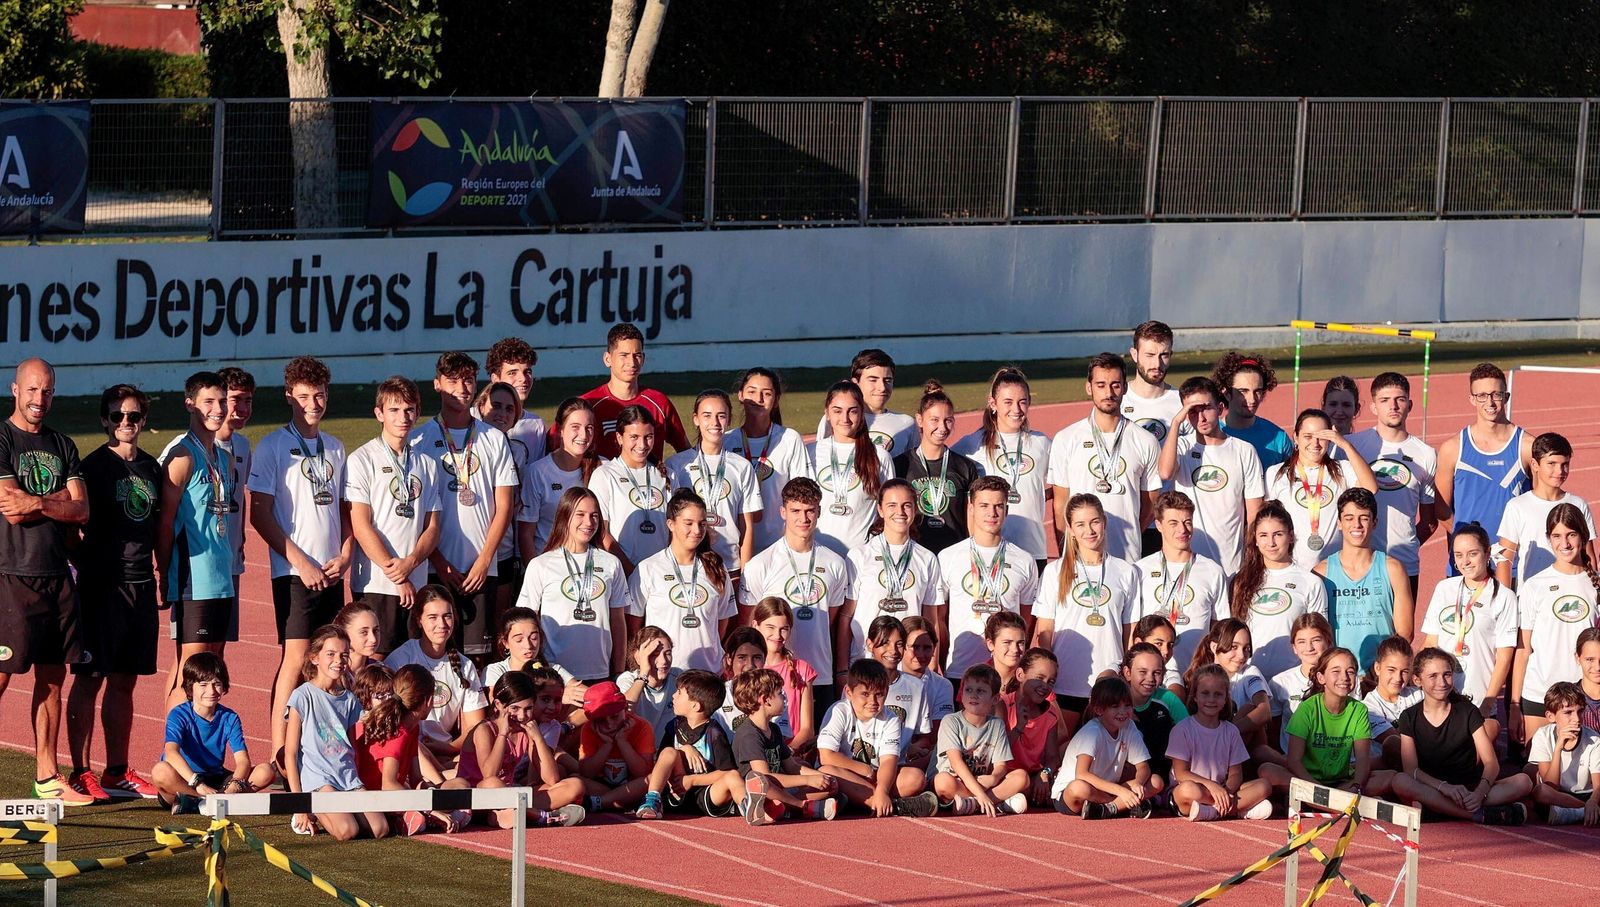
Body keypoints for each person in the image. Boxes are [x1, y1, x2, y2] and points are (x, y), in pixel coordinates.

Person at [250, 356, 351, 768]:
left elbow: (345, 510)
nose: (314, 403)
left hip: (330, 572)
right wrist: (302, 563)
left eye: (320, 395)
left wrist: (345, 555)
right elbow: (259, 513)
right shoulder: (273, 445)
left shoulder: (338, 446)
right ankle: (278, 749)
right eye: (305, 395)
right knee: (295, 659)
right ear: (289, 395)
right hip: (293, 572)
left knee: (330, 658)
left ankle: (316, 745)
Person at [65, 385, 161, 801]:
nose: (127, 424)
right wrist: (85, 567)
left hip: (141, 586)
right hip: (101, 589)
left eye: (134, 417)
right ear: (105, 421)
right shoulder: (92, 467)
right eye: (119, 417)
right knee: (90, 678)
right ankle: (81, 771)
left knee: (125, 683)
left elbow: (157, 527)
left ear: (143, 420)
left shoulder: (153, 469)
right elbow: (72, 525)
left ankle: (117, 771)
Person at [409, 351, 519, 662]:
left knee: (478, 661)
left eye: (468, 379)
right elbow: (417, 512)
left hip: (481, 570)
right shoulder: (419, 440)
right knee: (432, 657)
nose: (462, 386)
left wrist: (485, 560)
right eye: (453, 380)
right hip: (434, 569)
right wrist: (439, 561)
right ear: (437, 384)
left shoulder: (494, 439)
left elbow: (505, 506)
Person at [346, 377, 443, 656]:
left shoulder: (426, 464)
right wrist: (398, 577)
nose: (403, 417)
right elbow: (361, 526)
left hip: (417, 580)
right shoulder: (362, 459)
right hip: (377, 582)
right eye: (394, 410)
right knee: (375, 660)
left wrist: (411, 563)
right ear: (379, 414)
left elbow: (433, 527)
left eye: (409, 410)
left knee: (414, 662)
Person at [741, 478, 854, 714]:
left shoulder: (835, 563)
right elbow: (748, 627)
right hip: (772, 676)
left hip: (819, 673)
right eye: (795, 511)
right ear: (783, 512)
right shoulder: (761, 564)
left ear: (819, 512)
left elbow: (830, 621)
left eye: (810, 510)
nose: (803, 518)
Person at [158, 372, 236, 713]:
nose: (218, 409)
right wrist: (163, 572)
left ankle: (201, 754)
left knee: (212, 667)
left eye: (222, 401)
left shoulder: (224, 457)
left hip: (221, 578)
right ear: (190, 404)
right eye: (209, 401)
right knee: (188, 671)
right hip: (193, 577)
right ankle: (172, 756)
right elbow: (164, 521)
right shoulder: (181, 457)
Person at [1032, 494, 1139, 736]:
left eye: (1094, 522)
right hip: (1065, 683)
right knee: (1060, 752)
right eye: (1080, 524)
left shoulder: (1126, 572)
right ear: (1069, 528)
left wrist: (1124, 677)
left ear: (1105, 522)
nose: (1089, 530)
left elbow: (1130, 632)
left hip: (1108, 685)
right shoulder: (1054, 572)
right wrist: (1047, 683)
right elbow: (1044, 632)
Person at [1388, 647, 1531, 825]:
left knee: (1524, 781)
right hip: (1434, 788)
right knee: (1400, 781)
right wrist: (1444, 787)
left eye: (1447, 674)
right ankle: (1476, 815)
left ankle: (1440, 810)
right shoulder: (1409, 716)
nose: (1442, 682)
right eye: (1433, 676)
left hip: (1469, 789)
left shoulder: (1467, 711)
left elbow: (1490, 763)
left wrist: (1480, 793)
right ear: (1417, 680)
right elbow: (1411, 770)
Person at [1048, 353, 1161, 562]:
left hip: (1128, 558)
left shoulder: (1145, 441)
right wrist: (1068, 552)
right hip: (1079, 558)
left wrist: (1131, 533)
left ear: (1125, 388)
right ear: (1089, 387)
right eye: (1101, 385)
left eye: (1115, 385)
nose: (1109, 392)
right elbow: (1061, 503)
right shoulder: (1066, 439)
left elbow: (1150, 503)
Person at [285, 625, 390, 840]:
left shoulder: (349, 700)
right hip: (319, 778)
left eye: (343, 655)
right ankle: (314, 809)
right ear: (314, 658)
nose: (338, 660)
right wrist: (300, 804)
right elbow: (291, 752)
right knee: (347, 831)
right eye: (330, 654)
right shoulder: (302, 696)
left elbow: (351, 744)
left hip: (347, 777)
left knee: (380, 829)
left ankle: (339, 808)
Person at [518, 487, 632, 683]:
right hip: (555, 673)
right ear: (565, 516)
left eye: (594, 515)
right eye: (580, 514)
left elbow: (617, 621)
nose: (588, 522)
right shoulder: (541, 564)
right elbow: (526, 621)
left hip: (600, 672)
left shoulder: (611, 563)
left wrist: (618, 671)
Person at [1510, 503, 1600, 746]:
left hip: (1583, 698)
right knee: (1537, 773)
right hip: (1539, 693)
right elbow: (1523, 649)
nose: (1565, 543)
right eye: (1557, 536)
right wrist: (1515, 703)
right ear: (1549, 539)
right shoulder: (1534, 586)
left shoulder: (1595, 585)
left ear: (1583, 536)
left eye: (1571, 534)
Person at [1160, 376, 1265, 576]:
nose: (1201, 418)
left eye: (1206, 408)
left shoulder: (1243, 450)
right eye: (1192, 411)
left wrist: (1252, 559)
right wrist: (1175, 424)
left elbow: (1254, 512)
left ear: (1220, 407)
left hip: (1232, 565)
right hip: (1189, 564)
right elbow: (1165, 472)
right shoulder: (1181, 446)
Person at [1436, 362, 1534, 576]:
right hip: (1467, 566)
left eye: (1496, 394)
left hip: (1514, 564)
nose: (1489, 402)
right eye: (1481, 395)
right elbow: (1442, 511)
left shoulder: (1527, 446)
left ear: (1506, 397)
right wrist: (1471, 545)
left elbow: (1541, 502)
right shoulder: (1452, 448)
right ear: (1472, 399)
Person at [1420, 525, 1517, 739]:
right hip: (1439, 695)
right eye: (1459, 555)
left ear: (1487, 553)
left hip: (1478, 699)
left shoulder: (1504, 597)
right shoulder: (1444, 588)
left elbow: (1504, 658)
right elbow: (1430, 642)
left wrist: (1488, 703)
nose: (1465, 561)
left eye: (1473, 554)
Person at [1347, 373, 1439, 598]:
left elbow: (1429, 521)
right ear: (1373, 407)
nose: (1394, 406)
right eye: (1385, 400)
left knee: (1402, 633)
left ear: (1410, 405)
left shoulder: (1426, 454)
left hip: (1405, 563)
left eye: (1400, 399)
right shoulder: (1352, 445)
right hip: (1359, 563)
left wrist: (1406, 543)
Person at [459, 670, 587, 828]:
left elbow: (551, 779)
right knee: (493, 783)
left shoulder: (525, 729)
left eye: (528, 709)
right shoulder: (484, 730)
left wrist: (537, 738)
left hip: (510, 795)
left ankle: (508, 815)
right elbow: (489, 774)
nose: (521, 716)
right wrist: (503, 734)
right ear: (498, 705)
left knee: (575, 785)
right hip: (479, 798)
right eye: (515, 709)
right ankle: (541, 816)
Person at [357, 663, 475, 835]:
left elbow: (416, 778)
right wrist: (430, 809)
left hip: (399, 794)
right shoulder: (398, 732)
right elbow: (388, 785)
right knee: (422, 819)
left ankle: (422, 815)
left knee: (460, 785)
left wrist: (432, 796)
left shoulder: (412, 728)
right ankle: (409, 818)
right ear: (427, 701)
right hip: (376, 798)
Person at [938, 476, 1039, 677]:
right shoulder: (948, 557)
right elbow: (940, 618)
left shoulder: (1024, 560)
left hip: (1005, 674)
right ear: (971, 509)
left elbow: (1025, 621)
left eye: (998, 506)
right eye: (984, 505)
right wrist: (943, 659)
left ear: (1007, 510)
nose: (992, 513)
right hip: (960, 670)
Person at [151, 652, 275, 814]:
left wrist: (234, 785)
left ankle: (212, 802)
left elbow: (243, 760)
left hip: (217, 779)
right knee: (160, 772)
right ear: (190, 687)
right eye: (203, 685)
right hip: (186, 780)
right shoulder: (178, 714)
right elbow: (171, 752)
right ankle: (200, 799)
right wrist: (197, 784)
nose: (211, 691)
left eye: (216, 684)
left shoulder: (229, 717)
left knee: (266, 771)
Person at [953, 367, 1052, 568]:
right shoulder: (972, 445)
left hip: (1033, 549)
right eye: (1008, 402)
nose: (1016, 409)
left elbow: (1061, 485)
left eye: (1022, 402)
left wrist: (1039, 494)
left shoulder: (1042, 443)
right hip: (987, 552)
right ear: (993, 404)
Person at [816, 658, 939, 817]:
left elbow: (889, 761)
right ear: (849, 692)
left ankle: (866, 802)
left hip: (877, 777)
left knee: (915, 778)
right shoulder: (839, 711)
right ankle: (894, 807)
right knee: (827, 771)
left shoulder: (891, 718)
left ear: (887, 692)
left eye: (879, 694)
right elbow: (826, 757)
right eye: (865, 694)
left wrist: (882, 789)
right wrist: (863, 769)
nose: (872, 702)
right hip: (847, 775)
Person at [628, 489, 734, 671]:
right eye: (688, 523)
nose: (697, 530)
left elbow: (722, 622)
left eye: (702, 524)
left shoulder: (716, 567)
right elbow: (633, 626)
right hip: (664, 673)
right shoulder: (649, 568)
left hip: (708, 674)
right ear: (671, 524)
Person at [384, 585, 488, 759]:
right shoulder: (401, 659)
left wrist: (448, 748)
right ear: (419, 620)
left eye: (447, 616)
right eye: (433, 617)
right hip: (409, 750)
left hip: (448, 752)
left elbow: (475, 726)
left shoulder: (465, 665)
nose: (442, 624)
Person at [1227, 502, 1329, 679]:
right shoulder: (1240, 581)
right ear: (1256, 540)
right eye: (1264, 535)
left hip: (1293, 682)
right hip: (1248, 679)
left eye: (1278, 534)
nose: (1271, 543)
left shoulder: (1311, 582)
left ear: (1290, 536)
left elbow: (1321, 639)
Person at [1265, 409, 1378, 568]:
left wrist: (1345, 444)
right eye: (1308, 436)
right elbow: (1268, 521)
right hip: (1292, 567)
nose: (1315, 443)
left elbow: (1371, 488)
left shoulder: (1342, 469)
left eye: (1322, 437)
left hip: (1334, 568)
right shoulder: (1276, 473)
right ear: (1296, 437)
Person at [843, 479, 941, 660]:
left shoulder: (927, 558)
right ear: (880, 510)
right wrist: (841, 669)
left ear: (915, 509)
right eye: (892, 505)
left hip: (910, 662)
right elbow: (846, 617)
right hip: (866, 660)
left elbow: (931, 622)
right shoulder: (859, 555)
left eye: (906, 506)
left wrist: (933, 665)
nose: (900, 512)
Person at [1315, 488, 1414, 669]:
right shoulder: (1321, 573)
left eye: (1364, 518)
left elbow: (1405, 634)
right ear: (1339, 523)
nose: (1357, 525)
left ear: (1375, 522)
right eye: (1349, 518)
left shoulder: (1393, 569)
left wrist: (1383, 671)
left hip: (1380, 677)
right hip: (1339, 675)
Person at [1131, 491, 1227, 672]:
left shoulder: (1212, 571)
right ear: (1158, 525)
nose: (1182, 530)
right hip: (1151, 676)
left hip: (1196, 675)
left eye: (1187, 522)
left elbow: (1219, 630)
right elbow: (1133, 626)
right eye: (1173, 523)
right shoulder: (1139, 570)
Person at [666, 390, 762, 572]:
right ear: (696, 419)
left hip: (730, 566)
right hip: (688, 565)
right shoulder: (677, 464)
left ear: (729, 420)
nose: (715, 423)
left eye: (721, 416)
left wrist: (746, 571)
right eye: (707, 415)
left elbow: (747, 525)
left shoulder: (741, 466)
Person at [729, 668, 840, 824]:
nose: (784, 698)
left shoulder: (774, 729)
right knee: (763, 783)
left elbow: (793, 767)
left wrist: (818, 777)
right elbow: (764, 777)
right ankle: (801, 806)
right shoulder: (749, 734)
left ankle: (780, 808)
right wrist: (808, 780)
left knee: (831, 786)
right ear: (766, 700)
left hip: (780, 789)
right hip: (762, 790)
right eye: (780, 693)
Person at [633, 669, 744, 821]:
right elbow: (661, 761)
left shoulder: (715, 733)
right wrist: (684, 749)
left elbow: (725, 772)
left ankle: (747, 806)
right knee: (669, 752)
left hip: (705, 795)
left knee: (733, 776)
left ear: (695, 706)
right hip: (676, 793)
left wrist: (692, 780)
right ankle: (653, 800)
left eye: (679, 692)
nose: (673, 695)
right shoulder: (673, 726)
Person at [1168, 664, 1274, 821]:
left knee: (1264, 785)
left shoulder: (1231, 731)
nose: (1211, 699)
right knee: (1189, 790)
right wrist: (1213, 787)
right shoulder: (1182, 729)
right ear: (1195, 696)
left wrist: (1227, 791)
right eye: (1205, 693)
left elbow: (1236, 773)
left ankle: (1212, 811)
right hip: (1193, 791)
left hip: (1222, 789)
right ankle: (1236, 810)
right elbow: (1182, 773)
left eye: (1218, 694)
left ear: (1226, 698)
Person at [728, 367, 815, 553]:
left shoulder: (789, 439)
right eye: (752, 391)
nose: (758, 399)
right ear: (741, 395)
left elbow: (803, 494)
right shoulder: (726, 441)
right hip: (734, 549)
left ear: (776, 400)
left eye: (766, 393)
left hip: (778, 548)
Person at [1496, 432, 1597, 589]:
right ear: (1535, 465)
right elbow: (1505, 559)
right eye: (1552, 464)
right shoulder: (1517, 506)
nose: (1559, 471)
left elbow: (1588, 554)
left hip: (1572, 593)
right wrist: (1504, 601)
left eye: (1565, 464)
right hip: (1532, 598)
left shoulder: (1578, 504)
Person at [1285, 647, 1388, 797]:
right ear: (1321, 678)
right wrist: (1318, 789)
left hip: (1343, 782)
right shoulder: (1307, 709)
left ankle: (1327, 800)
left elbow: (1363, 759)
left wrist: (1356, 786)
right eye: (1336, 671)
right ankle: (1330, 800)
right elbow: (1293, 761)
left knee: (1392, 777)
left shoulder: (1359, 710)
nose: (1344, 677)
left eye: (1350, 672)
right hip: (1309, 782)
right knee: (1268, 770)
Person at [578, 323, 690, 460]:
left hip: (650, 481)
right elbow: (554, 448)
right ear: (607, 359)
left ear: (643, 359)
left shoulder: (660, 403)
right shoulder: (586, 405)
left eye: (637, 355)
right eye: (624, 355)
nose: (631, 362)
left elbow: (686, 453)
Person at [1051, 676, 1157, 819]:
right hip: (1073, 793)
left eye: (1127, 705)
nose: (1123, 712)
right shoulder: (1092, 732)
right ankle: (1122, 805)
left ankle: (1108, 809)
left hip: (1107, 789)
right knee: (1079, 788)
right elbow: (1082, 774)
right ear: (1100, 710)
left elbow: (1143, 767)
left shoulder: (1130, 726)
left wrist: (1138, 783)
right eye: (1115, 707)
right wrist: (1121, 791)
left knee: (1156, 781)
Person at [932, 663, 1029, 815]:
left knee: (1021, 777)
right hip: (957, 780)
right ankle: (994, 802)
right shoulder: (950, 721)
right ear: (961, 693)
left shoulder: (997, 725)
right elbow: (956, 762)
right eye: (968, 690)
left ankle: (972, 804)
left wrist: (994, 778)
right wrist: (981, 794)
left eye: (981, 691)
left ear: (995, 699)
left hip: (983, 782)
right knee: (942, 781)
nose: (973, 695)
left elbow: (1001, 765)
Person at [894, 380, 978, 553]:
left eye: (948, 420)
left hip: (954, 556)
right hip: (914, 555)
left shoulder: (964, 467)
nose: (942, 427)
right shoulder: (901, 465)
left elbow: (971, 518)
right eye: (934, 420)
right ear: (919, 419)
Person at [812, 381, 894, 556]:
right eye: (837, 411)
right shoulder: (811, 452)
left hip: (862, 558)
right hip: (819, 556)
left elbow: (888, 510)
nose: (845, 418)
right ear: (827, 413)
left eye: (853, 411)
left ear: (862, 413)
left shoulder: (879, 456)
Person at [475, 381, 532, 622]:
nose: (502, 413)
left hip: (504, 550)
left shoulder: (519, 450)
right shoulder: (465, 445)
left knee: (499, 624)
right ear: (481, 406)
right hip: (470, 548)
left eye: (510, 409)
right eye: (496, 406)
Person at [1186, 619, 1278, 767]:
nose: (1241, 656)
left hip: (1241, 748)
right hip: (1207, 747)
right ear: (1214, 646)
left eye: (1246, 648)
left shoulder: (1249, 672)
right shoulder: (1202, 676)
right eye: (1234, 647)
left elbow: (1264, 711)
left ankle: (1293, 768)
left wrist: (1229, 733)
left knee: (1250, 709)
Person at [591, 405, 672, 572]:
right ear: (619, 437)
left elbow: (674, 528)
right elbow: (601, 532)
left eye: (648, 437)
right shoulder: (605, 475)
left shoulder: (667, 474)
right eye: (634, 437)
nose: (642, 445)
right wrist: (630, 570)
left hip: (662, 572)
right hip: (622, 572)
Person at [523, 397, 601, 553]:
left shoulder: (602, 468)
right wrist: (535, 573)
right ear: (560, 429)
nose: (583, 435)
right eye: (575, 427)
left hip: (588, 568)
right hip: (549, 569)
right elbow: (525, 534)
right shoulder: (537, 472)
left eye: (589, 427)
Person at [812, 348, 918, 457]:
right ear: (855, 383)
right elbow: (821, 458)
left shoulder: (907, 424)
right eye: (873, 380)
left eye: (887, 380)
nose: (882, 387)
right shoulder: (838, 419)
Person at [1524, 681, 1600, 825]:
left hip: (1586, 795)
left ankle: (1580, 812)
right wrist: (1558, 747)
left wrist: (1593, 801)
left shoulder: (1594, 740)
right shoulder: (1542, 736)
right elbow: (1551, 785)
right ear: (1551, 716)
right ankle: (1586, 812)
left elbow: (1598, 786)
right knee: (1540, 791)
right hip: (1558, 795)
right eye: (1568, 713)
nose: (1577, 719)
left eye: (1580, 711)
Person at [864, 616, 934, 769]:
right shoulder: (857, 682)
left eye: (899, 644)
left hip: (897, 766)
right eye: (885, 643)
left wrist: (909, 747)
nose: (893, 651)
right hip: (862, 766)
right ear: (870, 644)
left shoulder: (916, 686)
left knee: (914, 779)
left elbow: (924, 736)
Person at [576, 680, 656, 813]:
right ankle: (620, 801)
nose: (610, 725)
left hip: (633, 785)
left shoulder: (642, 727)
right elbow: (586, 773)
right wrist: (607, 745)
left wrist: (623, 742)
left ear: (625, 709)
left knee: (653, 779)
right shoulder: (589, 729)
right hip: (602, 786)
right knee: (576, 781)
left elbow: (642, 772)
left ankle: (601, 802)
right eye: (601, 720)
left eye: (614, 717)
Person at [751, 598, 818, 754]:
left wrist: (787, 753)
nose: (777, 635)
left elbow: (807, 729)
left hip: (792, 753)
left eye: (784, 629)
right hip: (756, 754)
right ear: (756, 625)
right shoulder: (748, 670)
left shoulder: (801, 669)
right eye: (770, 627)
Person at [1212, 352, 1292, 472]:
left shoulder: (1279, 438)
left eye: (1257, 391)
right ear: (1226, 393)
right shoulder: (1210, 435)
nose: (1252, 399)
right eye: (1243, 391)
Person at [1267, 613, 1334, 753]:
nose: (1309, 647)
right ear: (1294, 647)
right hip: (1293, 761)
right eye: (1302, 642)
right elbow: (1273, 730)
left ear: (1328, 641)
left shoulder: (1344, 679)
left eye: (1316, 640)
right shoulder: (1280, 682)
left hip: (1334, 759)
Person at [1006, 647, 1063, 806]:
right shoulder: (1002, 705)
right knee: (1021, 781)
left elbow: (1053, 758)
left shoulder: (1051, 714)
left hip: (1032, 776)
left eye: (1051, 681)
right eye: (1039, 677)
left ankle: (1011, 799)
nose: (1045, 685)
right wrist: (1019, 728)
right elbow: (997, 752)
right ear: (1020, 675)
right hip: (1004, 775)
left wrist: (1045, 773)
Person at [483, 606, 581, 699]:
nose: (528, 646)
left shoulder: (554, 669)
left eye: (534, 638)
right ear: (505, 643)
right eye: (519, 639)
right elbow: (499, 706)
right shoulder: (495, 671)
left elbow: (590, 697)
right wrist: (558, 695)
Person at [1123, 643, 1186, 782]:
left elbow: (1190, 732)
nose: (1150, 678)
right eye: (1143, 672)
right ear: (1127, 673)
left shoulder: (1168, 699)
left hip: (1160, 774)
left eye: (1156, 673)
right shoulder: (1115, 701)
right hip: (1123, 773)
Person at [484, 337, 548, 463]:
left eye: (527, 372)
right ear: (495, 378)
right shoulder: (473, 417)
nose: (523, 379)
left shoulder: (536, 425)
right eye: (512, 373)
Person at [1361, 636, 1420, 769]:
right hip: (1390, 770)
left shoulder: (1418, 695)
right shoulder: (1368, 707)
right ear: (1377, 668)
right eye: (1391, 670)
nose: (1398, 678)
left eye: (1404, 671)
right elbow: (1398, 744)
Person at [1123, 320, 1184, 446]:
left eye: (1164, 355)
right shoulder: (1117, 400)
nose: (1157, 364)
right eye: (1150, 355)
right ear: (1135, 355)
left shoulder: (1182, 403)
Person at [616, 628, 681, 735]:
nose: (664, 661)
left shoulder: (677, 677)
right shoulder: (627, 679)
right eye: (654, 654)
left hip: (667, 749)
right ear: (638, 657)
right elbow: (624, 711)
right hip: (635, 749)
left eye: (668, 653)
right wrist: (644, 672)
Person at [902, 616, 955, 725]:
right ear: (901, 646)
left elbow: (936, 732)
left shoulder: (943, 685)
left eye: (927, 648)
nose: (920, 654)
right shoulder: (884, 681)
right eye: (915, 647)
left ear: (934, 648)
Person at [335, 601, 383, 675]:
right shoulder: (329, 672)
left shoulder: (379, 673)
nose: (373, 639)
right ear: (344, 634)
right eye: (364, 632)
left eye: (376, 630)